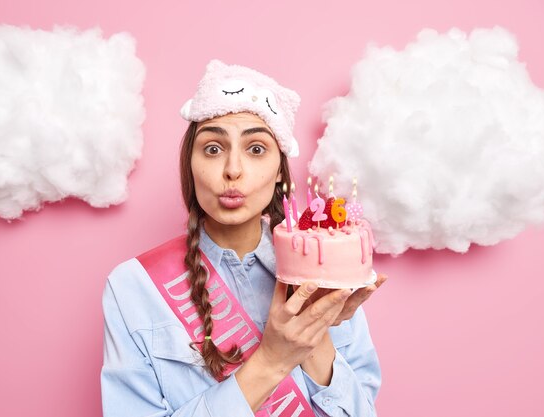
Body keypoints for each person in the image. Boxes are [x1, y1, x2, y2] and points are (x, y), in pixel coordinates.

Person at [100, 59, 387, 417]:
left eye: (255, 149)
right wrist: (271, 361)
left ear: (280, 172)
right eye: (213, 148)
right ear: (189, 165)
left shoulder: (324, 264)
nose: (233, 170)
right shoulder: (133, 287)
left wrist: (315, 335)